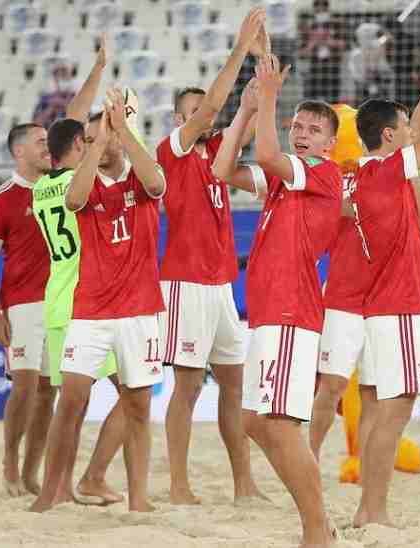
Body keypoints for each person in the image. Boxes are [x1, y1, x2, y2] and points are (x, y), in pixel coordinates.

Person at [211, 52, 348, 545]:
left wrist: (269, 96)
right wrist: (248, 111)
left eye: (313, 128)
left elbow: (267, 156)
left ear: (330, 144)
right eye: (298, 124)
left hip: (292, 310)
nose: (302, 131)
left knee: (280, 423)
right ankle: (318, 521)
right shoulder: (285, 182)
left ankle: (317, 529)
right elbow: (223, 169)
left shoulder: (324, 174)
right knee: (252, 419)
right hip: (270, 311)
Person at [344, 22, 420, 528]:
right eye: (403, 129)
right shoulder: (390, 169)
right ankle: (371, 510)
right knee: (395, 410)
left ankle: (368, 509)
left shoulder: (367, 170)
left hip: (379, 306)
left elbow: (417, 123)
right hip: (397, 306)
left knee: (377, 409)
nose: (411, 132)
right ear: (390, 139)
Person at [309, 38, 420, 464]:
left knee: (372, 391)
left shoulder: (386, 168)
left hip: (377, 297)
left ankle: (367, 463)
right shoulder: (335, 172)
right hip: (343, 292)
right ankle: (309, 460)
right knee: (331, 387)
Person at [31, 88, 168, 514]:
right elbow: (73, 199)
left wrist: (121, 131)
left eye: (99, 137)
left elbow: (157, 183)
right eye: (87, 140)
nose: (95, 143)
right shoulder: (82, 184)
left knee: (138, 405)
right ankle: (50, 494)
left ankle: (139, 499)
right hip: (89, 310)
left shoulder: (139, 177)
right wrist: (98, 140)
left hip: (140, 309)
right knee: (70, 399)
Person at [157, 8, 268, 506]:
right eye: (198, 110)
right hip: (183, 282)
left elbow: (250, 112)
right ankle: (179, 486)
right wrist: (241, 49)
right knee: (186, 387)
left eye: (210, 111)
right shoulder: (172, 149)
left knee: (233, 384)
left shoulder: (216, 150)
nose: (210, 114)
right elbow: (220, 103)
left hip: (220, 284)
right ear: (181, 119)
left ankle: (244, 484)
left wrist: (264, 64)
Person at [0, 123, 56, 497]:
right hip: (22, 303)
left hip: (59, 304)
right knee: (26, 386)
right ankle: (10, 462)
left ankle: (31, 473)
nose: (48, 147)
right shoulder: (2, 198)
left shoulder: (57, 187)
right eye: (40, 142)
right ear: (19, 152)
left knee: (48, 390)